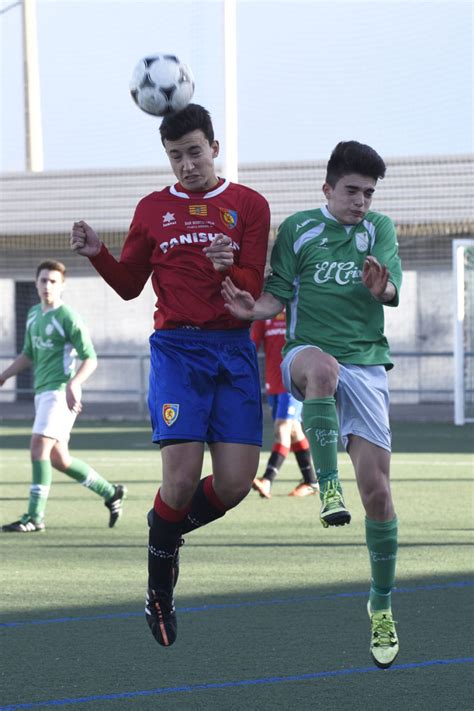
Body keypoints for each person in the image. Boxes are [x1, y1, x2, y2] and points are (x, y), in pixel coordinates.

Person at [70, 104, 270, 648]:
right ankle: (160, 585)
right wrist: (99, 254)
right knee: (179, 481)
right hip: (178, 350)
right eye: (176, 155)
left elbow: (253, 285)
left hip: (233, 349)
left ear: (215, 148)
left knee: (233, 485)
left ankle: (163, 531)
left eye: (194, 151)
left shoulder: (249, 205)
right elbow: (131, 284)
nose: (186, 164)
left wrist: (233, 267)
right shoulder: (152, 209)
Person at [222, 140, 402, 669]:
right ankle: (326, 487)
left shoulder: (380, 230)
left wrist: (381, 287)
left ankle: (382, 605)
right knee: (322, 369)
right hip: (308, 354)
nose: (362, 202)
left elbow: (390, 292)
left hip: (367, 362)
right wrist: (249, 308)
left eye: (369, 193)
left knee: (380, 495)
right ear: (328, 189)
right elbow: (275, 296)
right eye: (352, 191)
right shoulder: (298, 230)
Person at [1, 260, 126, 533]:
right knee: (59, 459)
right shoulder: (34, 314)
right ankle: (111, 492)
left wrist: (73, 384)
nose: (47, 286)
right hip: (43, 393)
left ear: (63, 285)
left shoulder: (68, 317)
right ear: (35, 283)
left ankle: (34, 517)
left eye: (53, 281)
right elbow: (28, 354)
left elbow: (90, 358)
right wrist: (5, 375)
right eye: (43, 280)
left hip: (60, 393)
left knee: (38, 447)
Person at [250, 313, 319, 498]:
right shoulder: (264, 314)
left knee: (282, 428)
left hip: (293, 382)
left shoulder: (298, 311)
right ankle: (311, 481)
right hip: (272, 384)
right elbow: (251, 346)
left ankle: (267, 480)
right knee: (294, 431)